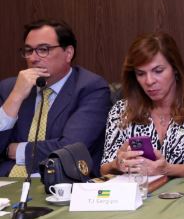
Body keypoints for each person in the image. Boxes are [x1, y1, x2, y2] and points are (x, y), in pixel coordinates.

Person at [101, 33, 184, 178]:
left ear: (175, 68)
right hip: (142, 196)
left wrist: (167, 169)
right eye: (141, 73)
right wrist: (117, 164)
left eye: (158, 71)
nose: (149, 81)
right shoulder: (122, 110)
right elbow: (104, 169)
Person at [0, 19, 110, 176]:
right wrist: (16, 98)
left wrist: (16, 150)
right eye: (29, 50)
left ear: (68, 53)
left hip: (60, 184)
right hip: (6, 183)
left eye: (43, 49)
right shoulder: (9, 88)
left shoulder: (90, 88)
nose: (33, 58)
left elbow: (71, 148)